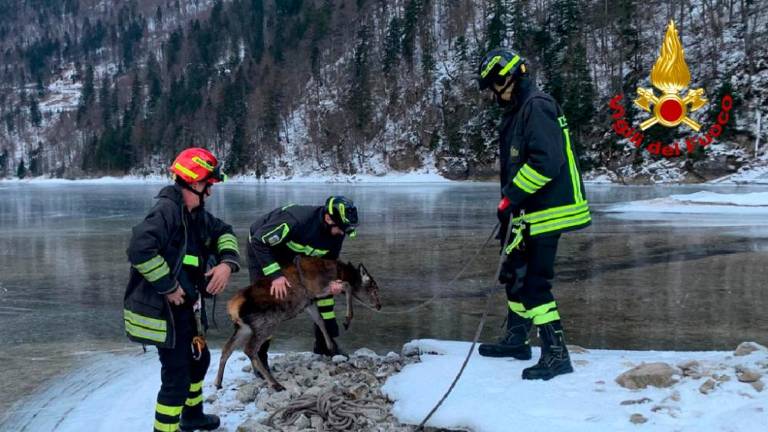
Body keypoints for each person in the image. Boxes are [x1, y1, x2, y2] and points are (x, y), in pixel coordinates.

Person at [476, 48, 591, 380]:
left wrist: (511, 197)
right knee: (513, 273)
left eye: (493, 87)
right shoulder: (518, 109)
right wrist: (510, 205)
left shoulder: (536, 106)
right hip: (527, 210)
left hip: (548, 211)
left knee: (534, 284)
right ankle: (517, 338)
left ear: (505, 78)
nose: (492, 95)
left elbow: (546, 162)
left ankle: (556, 354)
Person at [124, 148, 240, 431]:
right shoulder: (167, 211)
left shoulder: (194, 214)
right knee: (177, 377)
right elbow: (139, 249)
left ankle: (192, 416)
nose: (210, 192)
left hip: (186, 308)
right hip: (163, 311)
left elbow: (224, 232)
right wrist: (168, 286)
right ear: (194, 182)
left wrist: (226, 264)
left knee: (199, 360)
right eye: (208, 185)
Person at [246, 196, 358, 370]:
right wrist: (275, 275)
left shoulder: (338, 230)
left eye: (345, 230)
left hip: (291, 253)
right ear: (328, 218)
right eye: (340, 229)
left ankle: (324, 345)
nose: (341, 234)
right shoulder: (296, 221)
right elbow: (259, 242)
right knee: (267, 305)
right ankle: (259, 358)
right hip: (262, 249)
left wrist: (333, 282)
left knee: (322, 290)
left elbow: (328, 263)